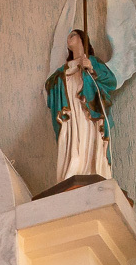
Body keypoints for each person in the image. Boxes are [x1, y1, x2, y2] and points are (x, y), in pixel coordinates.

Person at [45, 29, 117, 182]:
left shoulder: (92, 61)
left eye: (73, 34)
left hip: (88, 111)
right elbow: (50, 86)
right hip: (70, 112)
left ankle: (92, 170)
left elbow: (111, 81)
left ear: (82, 38)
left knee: (88, 136)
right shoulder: (62, 71)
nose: (68, 38)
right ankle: (72, 170)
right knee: (72, 140)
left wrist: (91, 67)